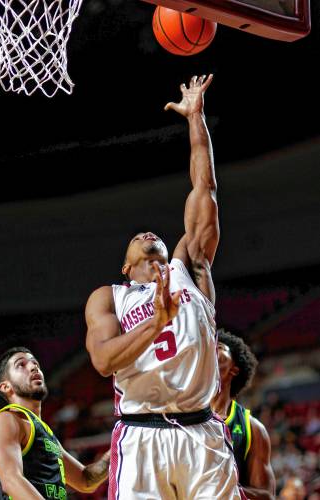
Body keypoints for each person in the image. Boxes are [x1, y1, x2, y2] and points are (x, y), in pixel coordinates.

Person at [86, 75, 242, 499]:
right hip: (141, 435)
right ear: (125, 266)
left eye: (150, 236)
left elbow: (204, 187)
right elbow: (103, 361)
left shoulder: (188, 265)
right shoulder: (109, 298)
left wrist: (196, 119)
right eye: (135, 239)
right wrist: (155, 323)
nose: (145, 235)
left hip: (201, 432)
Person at [0, 346, 110, 499]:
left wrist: (119, 450)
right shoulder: (8, 419)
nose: (33, 367)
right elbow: (11, 481)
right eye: (21, 365)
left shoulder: (44, 431)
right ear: (5, 386)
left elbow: (86, 480)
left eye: (34, 363)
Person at [212, 329, 276, 500]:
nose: (209, 349)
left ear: (234, 369)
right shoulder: (180, 416)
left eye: (218, 347)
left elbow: (266, 496)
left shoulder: (253, 428)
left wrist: (225, 488)